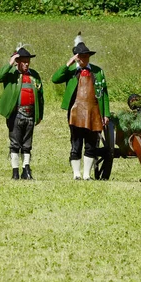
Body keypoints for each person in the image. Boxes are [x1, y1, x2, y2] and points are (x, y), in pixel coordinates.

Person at [52, 33, 110, 180]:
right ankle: (76, 174)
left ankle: (86, 175)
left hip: (94, 112)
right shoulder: (71, 72)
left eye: (86, 56)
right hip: (75, 113)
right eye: (81, 57)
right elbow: (55, 79)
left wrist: (106, 114)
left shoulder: (98, 71)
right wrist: (68, 64)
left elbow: (104, 94)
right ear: (77, 57)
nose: (84, 59)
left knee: (91, 145)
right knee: (76, 144)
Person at [0, 44, 44, 180]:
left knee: (27, 145)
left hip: (30, 114)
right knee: (15, 144)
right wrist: (10, 64)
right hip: (16, 115)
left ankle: (26, 170)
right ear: (18, 62)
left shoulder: (34, 75)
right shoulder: (10, 74)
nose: (26, 65)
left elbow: (40, 96)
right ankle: (15, 171)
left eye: (28, 62)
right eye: (23, 62)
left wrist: (40, 115)